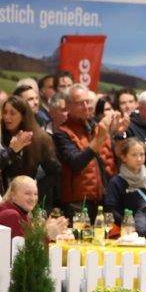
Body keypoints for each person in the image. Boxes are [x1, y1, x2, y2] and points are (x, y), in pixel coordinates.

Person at [53, 85, 124, 218]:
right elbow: (76, 163)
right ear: (68, 106)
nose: (86, 106)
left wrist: (117, 134)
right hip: (78, 203)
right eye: (80, 103)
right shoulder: (62, 133)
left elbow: (110, 161)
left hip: (103, 199)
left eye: (88, 102)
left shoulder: (96, 126)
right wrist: (99, 138)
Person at [0, 96, 60, 210]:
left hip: (28, 200)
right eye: (5, 112)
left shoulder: (39, 139)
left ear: (23, 116)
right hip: (3, 195)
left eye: (12, 113)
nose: (7, 117)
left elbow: (54, 171)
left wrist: (34, 190)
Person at [0, 177, 69, 240]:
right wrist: (47, 234)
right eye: (27, 193)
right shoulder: (11, 215)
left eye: (35, 194)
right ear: (13, 195)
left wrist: (46, 228)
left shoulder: (23, 213)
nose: (33, 198)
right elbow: (23, 250)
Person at [103, 138, 146, 223]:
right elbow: (109, 210)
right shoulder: (116, 182)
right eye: (134, 155)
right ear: (124, 157)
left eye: (142, 154)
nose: (139, 159)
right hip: (125, 227)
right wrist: (127, 223)